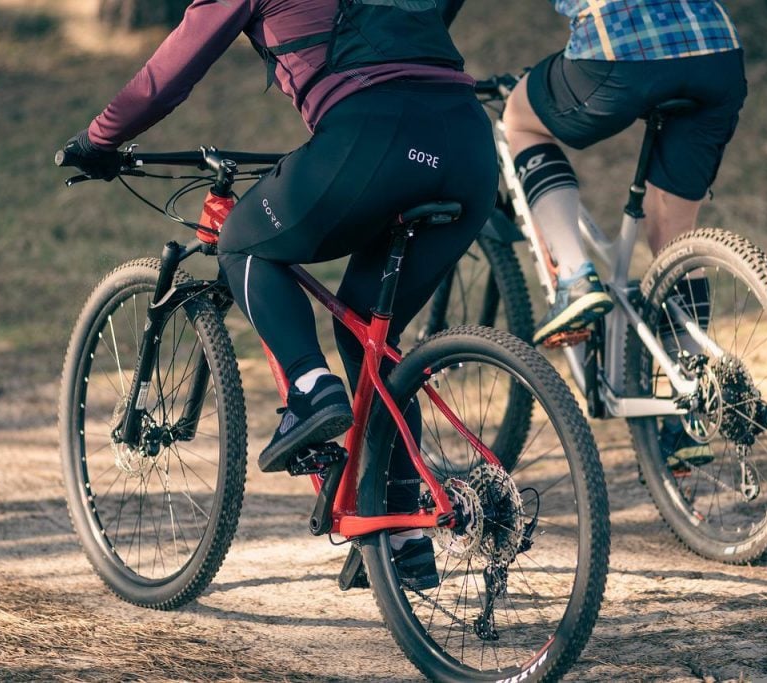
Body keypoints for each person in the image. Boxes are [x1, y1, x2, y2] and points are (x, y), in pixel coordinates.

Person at [62, 0, 498, 587]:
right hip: (468, 144)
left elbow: (173, 70)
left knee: (242, 240)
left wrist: (99, 138)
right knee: (368, 334)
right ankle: (403, 533)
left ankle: (311, 390)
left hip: (375, 132)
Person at [447, 0, 746, 345]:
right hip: (718, 51)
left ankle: (575, 277)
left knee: (518, 118)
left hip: (622, 49)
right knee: (672, 236)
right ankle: (698, 377)